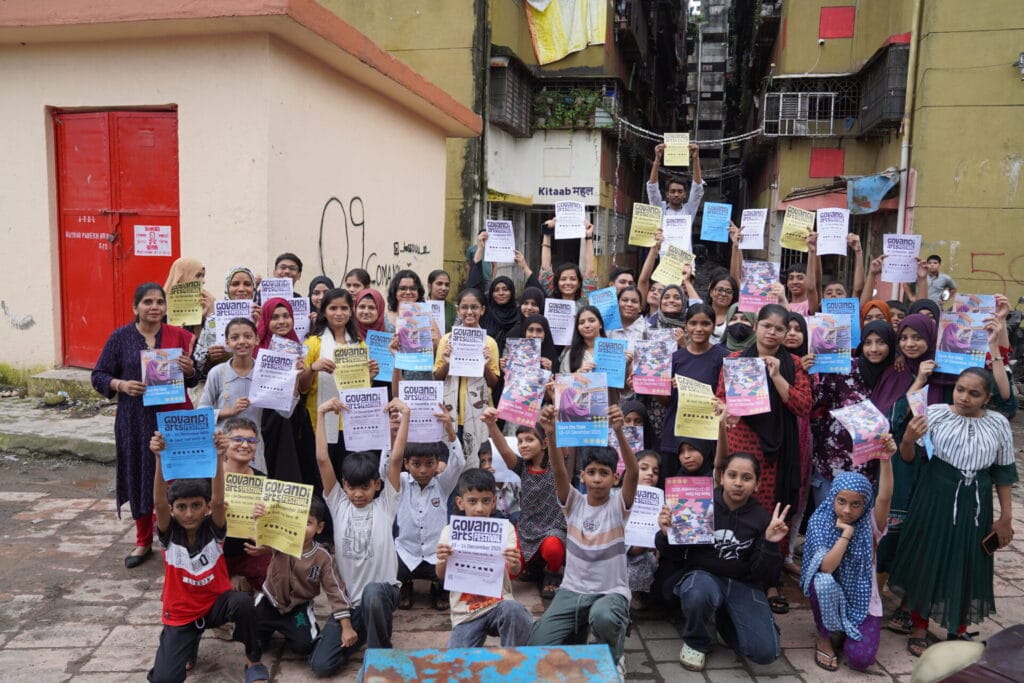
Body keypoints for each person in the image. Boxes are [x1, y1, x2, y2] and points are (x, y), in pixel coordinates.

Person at [889, 368, 1017, 656]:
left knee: (968, 557)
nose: (964, 397)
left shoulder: (998, 424)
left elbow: (1004, 472)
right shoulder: (935, 414)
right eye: (960, 389)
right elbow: (908, 458)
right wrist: (908, 439)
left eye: (974, 393)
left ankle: (957, 627)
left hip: (976, 502)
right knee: (929, 554)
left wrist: (1005, 516)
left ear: (987, 398)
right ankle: (919, 624)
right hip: (934, 495)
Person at [91, 282, 198, 569]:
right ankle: (143, 540)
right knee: (141, 476)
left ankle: (181, 538)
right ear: (135, 307)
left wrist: (190, 370)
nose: (154, 307)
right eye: (148, 302)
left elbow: (191, 379)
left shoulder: (178, 336)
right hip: (134, 420)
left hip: (173, 416)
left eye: (159, 302)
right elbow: (98, 375)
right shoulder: (120, 338)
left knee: (177, 477)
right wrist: (121, 384)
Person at [146, 432, 267, 683]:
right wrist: (159, 458)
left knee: (244, 603)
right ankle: (183, 641)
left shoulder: (214, 529)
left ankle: (253, 659)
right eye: (181, 507)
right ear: (172, 510)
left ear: (207, 508)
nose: (189, 513)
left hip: (216, 604)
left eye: (196, 506)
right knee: (164, 679)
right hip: (181, 613)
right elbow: (158, 503)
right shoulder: (169, 533)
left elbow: (220, 499)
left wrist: (219, 456)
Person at [528, 404, 638, 678]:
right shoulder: (573, 503)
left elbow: (634, 473)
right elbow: (557, 470)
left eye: (604, 473)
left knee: (604, 617)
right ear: (582, 476)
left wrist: (619, 433)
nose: (597, 479)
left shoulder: (618, 506)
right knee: (536, 646)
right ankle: (576, 635)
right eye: (592, 472)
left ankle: (614, 655)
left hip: (610, 592)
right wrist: (551, 435)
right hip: (572, 591)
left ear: (614, 478)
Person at [656, 452, 788, 672]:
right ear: (720, 477)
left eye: (746, 478)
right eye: (732, 475)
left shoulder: (762, 518)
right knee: (698, 592)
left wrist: (770, 544)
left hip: (743, 584)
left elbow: (762, 574)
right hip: (703, 578)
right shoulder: (699, 503)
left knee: (765, 652)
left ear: (757, 484)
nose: (738, 483)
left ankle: (725, 623)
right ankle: (696, 640)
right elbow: (675, 555)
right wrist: (667, 533)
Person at [310, 397, 408, 676]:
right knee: (321, 665)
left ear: (376, 485)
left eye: (365, 487)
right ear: (344, 485)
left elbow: (397, 459)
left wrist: (406, 415)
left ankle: (379, 658)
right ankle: (365, 631)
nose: (358, 494)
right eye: (352, 487)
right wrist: (320, 412)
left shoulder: (386, 504)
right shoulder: (338, 504)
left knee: (373, 593)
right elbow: (321, 459)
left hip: (384, 593)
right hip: (351, 604)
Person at [802, 454, 895, 672]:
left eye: (856, 504)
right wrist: (846, 535)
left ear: (865, 505)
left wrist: (885, 459)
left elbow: (885, 497)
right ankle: (824, 636)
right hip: (832, 595)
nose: (846, 510)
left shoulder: (870, 522)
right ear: (833, 497)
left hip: (863, 599)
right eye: (841, 501)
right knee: (821, 581)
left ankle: (844, 629)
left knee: (861, 659)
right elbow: (827, 567)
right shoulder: (819, 521)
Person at [718, 304, 812, 516]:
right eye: (766, 326)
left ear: (786, 333)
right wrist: (727, 408)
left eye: (779, 329)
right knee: (736, 501)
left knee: (768, 510)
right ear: (755, 326)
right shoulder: (735, 361)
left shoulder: (795, 364)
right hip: (740, 442)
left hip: (775, 452)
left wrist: (777, 376)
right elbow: (720, 398)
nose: (771, 332)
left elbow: (804, 406)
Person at [435, 468, 533, 647]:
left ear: (494, 502)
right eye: (472, 501)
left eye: (485, 501)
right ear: (460, 502)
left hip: (499, 605)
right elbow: (441, 575)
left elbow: (515, 570)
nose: (479, 508)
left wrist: (514, 562)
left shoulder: (506, 530)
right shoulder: (449, 532)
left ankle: (513, 661)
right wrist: (442, 560)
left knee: (515, 611)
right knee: (457, 666)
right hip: (465, 613)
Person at [253, 496, 355, 666]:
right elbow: (260, 533)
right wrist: (260, 517)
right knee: (251, 637)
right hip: (269, 602)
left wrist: (346, 627)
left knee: (305, 645)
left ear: (319, 527)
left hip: (297, 608)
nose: (299, 526)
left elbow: (335, 591)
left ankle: (286, 628)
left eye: (307, 522)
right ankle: (264, 632)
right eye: (295, 520)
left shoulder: (323, 558)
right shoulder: (279, 540)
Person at [483, 409, 567, 601]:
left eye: (529, 440)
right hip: (526, 529)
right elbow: (504, 449)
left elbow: (556, 454)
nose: (523, 445)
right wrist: (491, 424)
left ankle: (552, 572)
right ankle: (532, 566)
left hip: (553, 529)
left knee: (553, 549)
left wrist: (551, 430)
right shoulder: (522, 467)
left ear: (544, 443)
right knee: (509, 571)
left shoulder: (556, 468)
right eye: (520, 441)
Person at [199, 318, 302, 476]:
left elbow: (285, 412)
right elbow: (200, 414)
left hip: (252, 448)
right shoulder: (218, 373)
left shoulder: (266, 372)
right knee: (223, 495)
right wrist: (229, 411)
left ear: (257, 339)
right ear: (227, 342)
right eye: (235, 338)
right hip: (222, 447)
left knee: (252, 495)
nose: (242, 342)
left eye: (247, 336)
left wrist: (295, 377)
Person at [393, 404, 465, 611]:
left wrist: (449, 430)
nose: (423, 470)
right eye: (417, 464)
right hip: (405, 551)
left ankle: (439, 589)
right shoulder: (400, 482)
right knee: (390, 563)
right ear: (406, 463)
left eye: (429, 464)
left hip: (435, 554)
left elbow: (458, 462)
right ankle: (404, 585)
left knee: (452, 564)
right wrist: (393, 434)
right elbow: (387, 465)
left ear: (437, 464)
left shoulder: (442, 484)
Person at [658, 304, 729, 474]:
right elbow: (667, 402)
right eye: (693, 323)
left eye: (705, 324)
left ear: (713, 326)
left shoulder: (722, 357)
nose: (699, 329)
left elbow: (725, 397)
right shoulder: (674, 358)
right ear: (685, 326)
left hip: (706, 435)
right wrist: (662, 387)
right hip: (675, 433)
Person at [434, 288, 500, 467]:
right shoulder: (447, 340)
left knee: (477, 468)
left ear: (482, 310)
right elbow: (437, 378)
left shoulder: (489, 343)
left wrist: (485, 364)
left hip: (479, 416)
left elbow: (494, 382)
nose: (469, 312)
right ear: (458, 310)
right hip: (451, 415)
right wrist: (448, 361)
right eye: (464, 307)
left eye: (474, 307)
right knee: (450, 467)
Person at [218, 416, 272, 594]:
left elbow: (274, 529)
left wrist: (265, 527)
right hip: (216, 551)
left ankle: (246, 583)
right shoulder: (210, 477)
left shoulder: (263, 480)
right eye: (238, 439)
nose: (244, 445)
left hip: (249, 552)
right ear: (225, 443)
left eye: (250, 441)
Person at [194, 267, 260, 379]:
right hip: (222, 387)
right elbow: (200, 371)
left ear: (254, 288)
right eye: (235, 284)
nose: (241, 289)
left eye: (247, 284)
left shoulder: (265, 317)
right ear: (227, 288)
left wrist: (261, 324)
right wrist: (210, 358)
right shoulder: (213, 321)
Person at [647, 142, 704, 254]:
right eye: (673, 191)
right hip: (665, 260)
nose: (676, 194)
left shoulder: (689, 210)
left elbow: (697, 188)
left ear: (685, 194)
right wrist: (657, 160)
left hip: (685, 262)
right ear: (667, 194)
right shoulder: (660, 209)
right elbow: (652, 189)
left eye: (680, 191)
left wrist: (696, 159)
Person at [538, 220, 598, 308]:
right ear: (557, 282)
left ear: (579, 283)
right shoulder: (551, 298)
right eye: (563, 279)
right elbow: (545, 267)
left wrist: (588, 237)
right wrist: (547, 233)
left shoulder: (584, 301)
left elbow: (590, 271)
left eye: (573, 279)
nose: (568, 282)